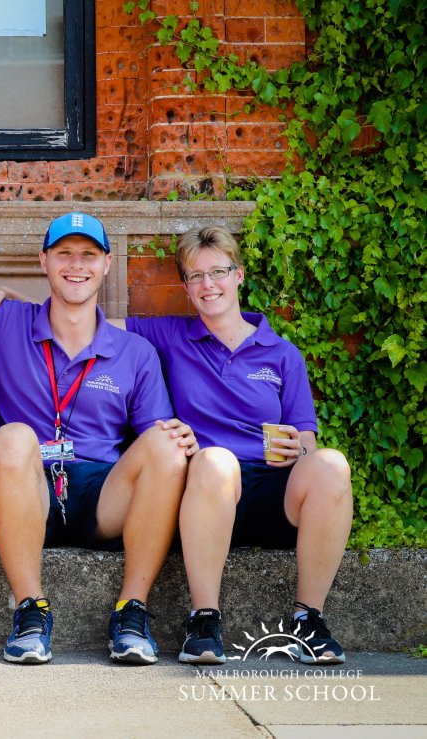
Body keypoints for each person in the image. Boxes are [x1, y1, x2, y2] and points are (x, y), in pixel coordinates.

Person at [0, 212, 195, 666]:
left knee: (166, 442)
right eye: (64, 253)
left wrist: (182, 441)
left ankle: (132, 611)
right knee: (10, 437)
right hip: (26, 488)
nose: (76, 265)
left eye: (88, 254)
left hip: (102, 494)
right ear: (43, 261)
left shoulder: (135, 352)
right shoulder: (4, 322)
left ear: (107, 264)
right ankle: (30, 611)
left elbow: (155, 445)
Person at [122, 226, 352, 665]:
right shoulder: (171, 336)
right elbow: (90, 325)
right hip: (206, 491)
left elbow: (305, 437)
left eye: (218, 272)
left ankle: (309, 620)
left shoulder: (282, 354)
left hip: (271, 491)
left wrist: (297, 451)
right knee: (216, 461)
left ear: (239, 275)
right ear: (186, 288)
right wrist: (12, 305)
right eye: (195, 276)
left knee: (332, 465)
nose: (208, 285)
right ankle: (204, 619)